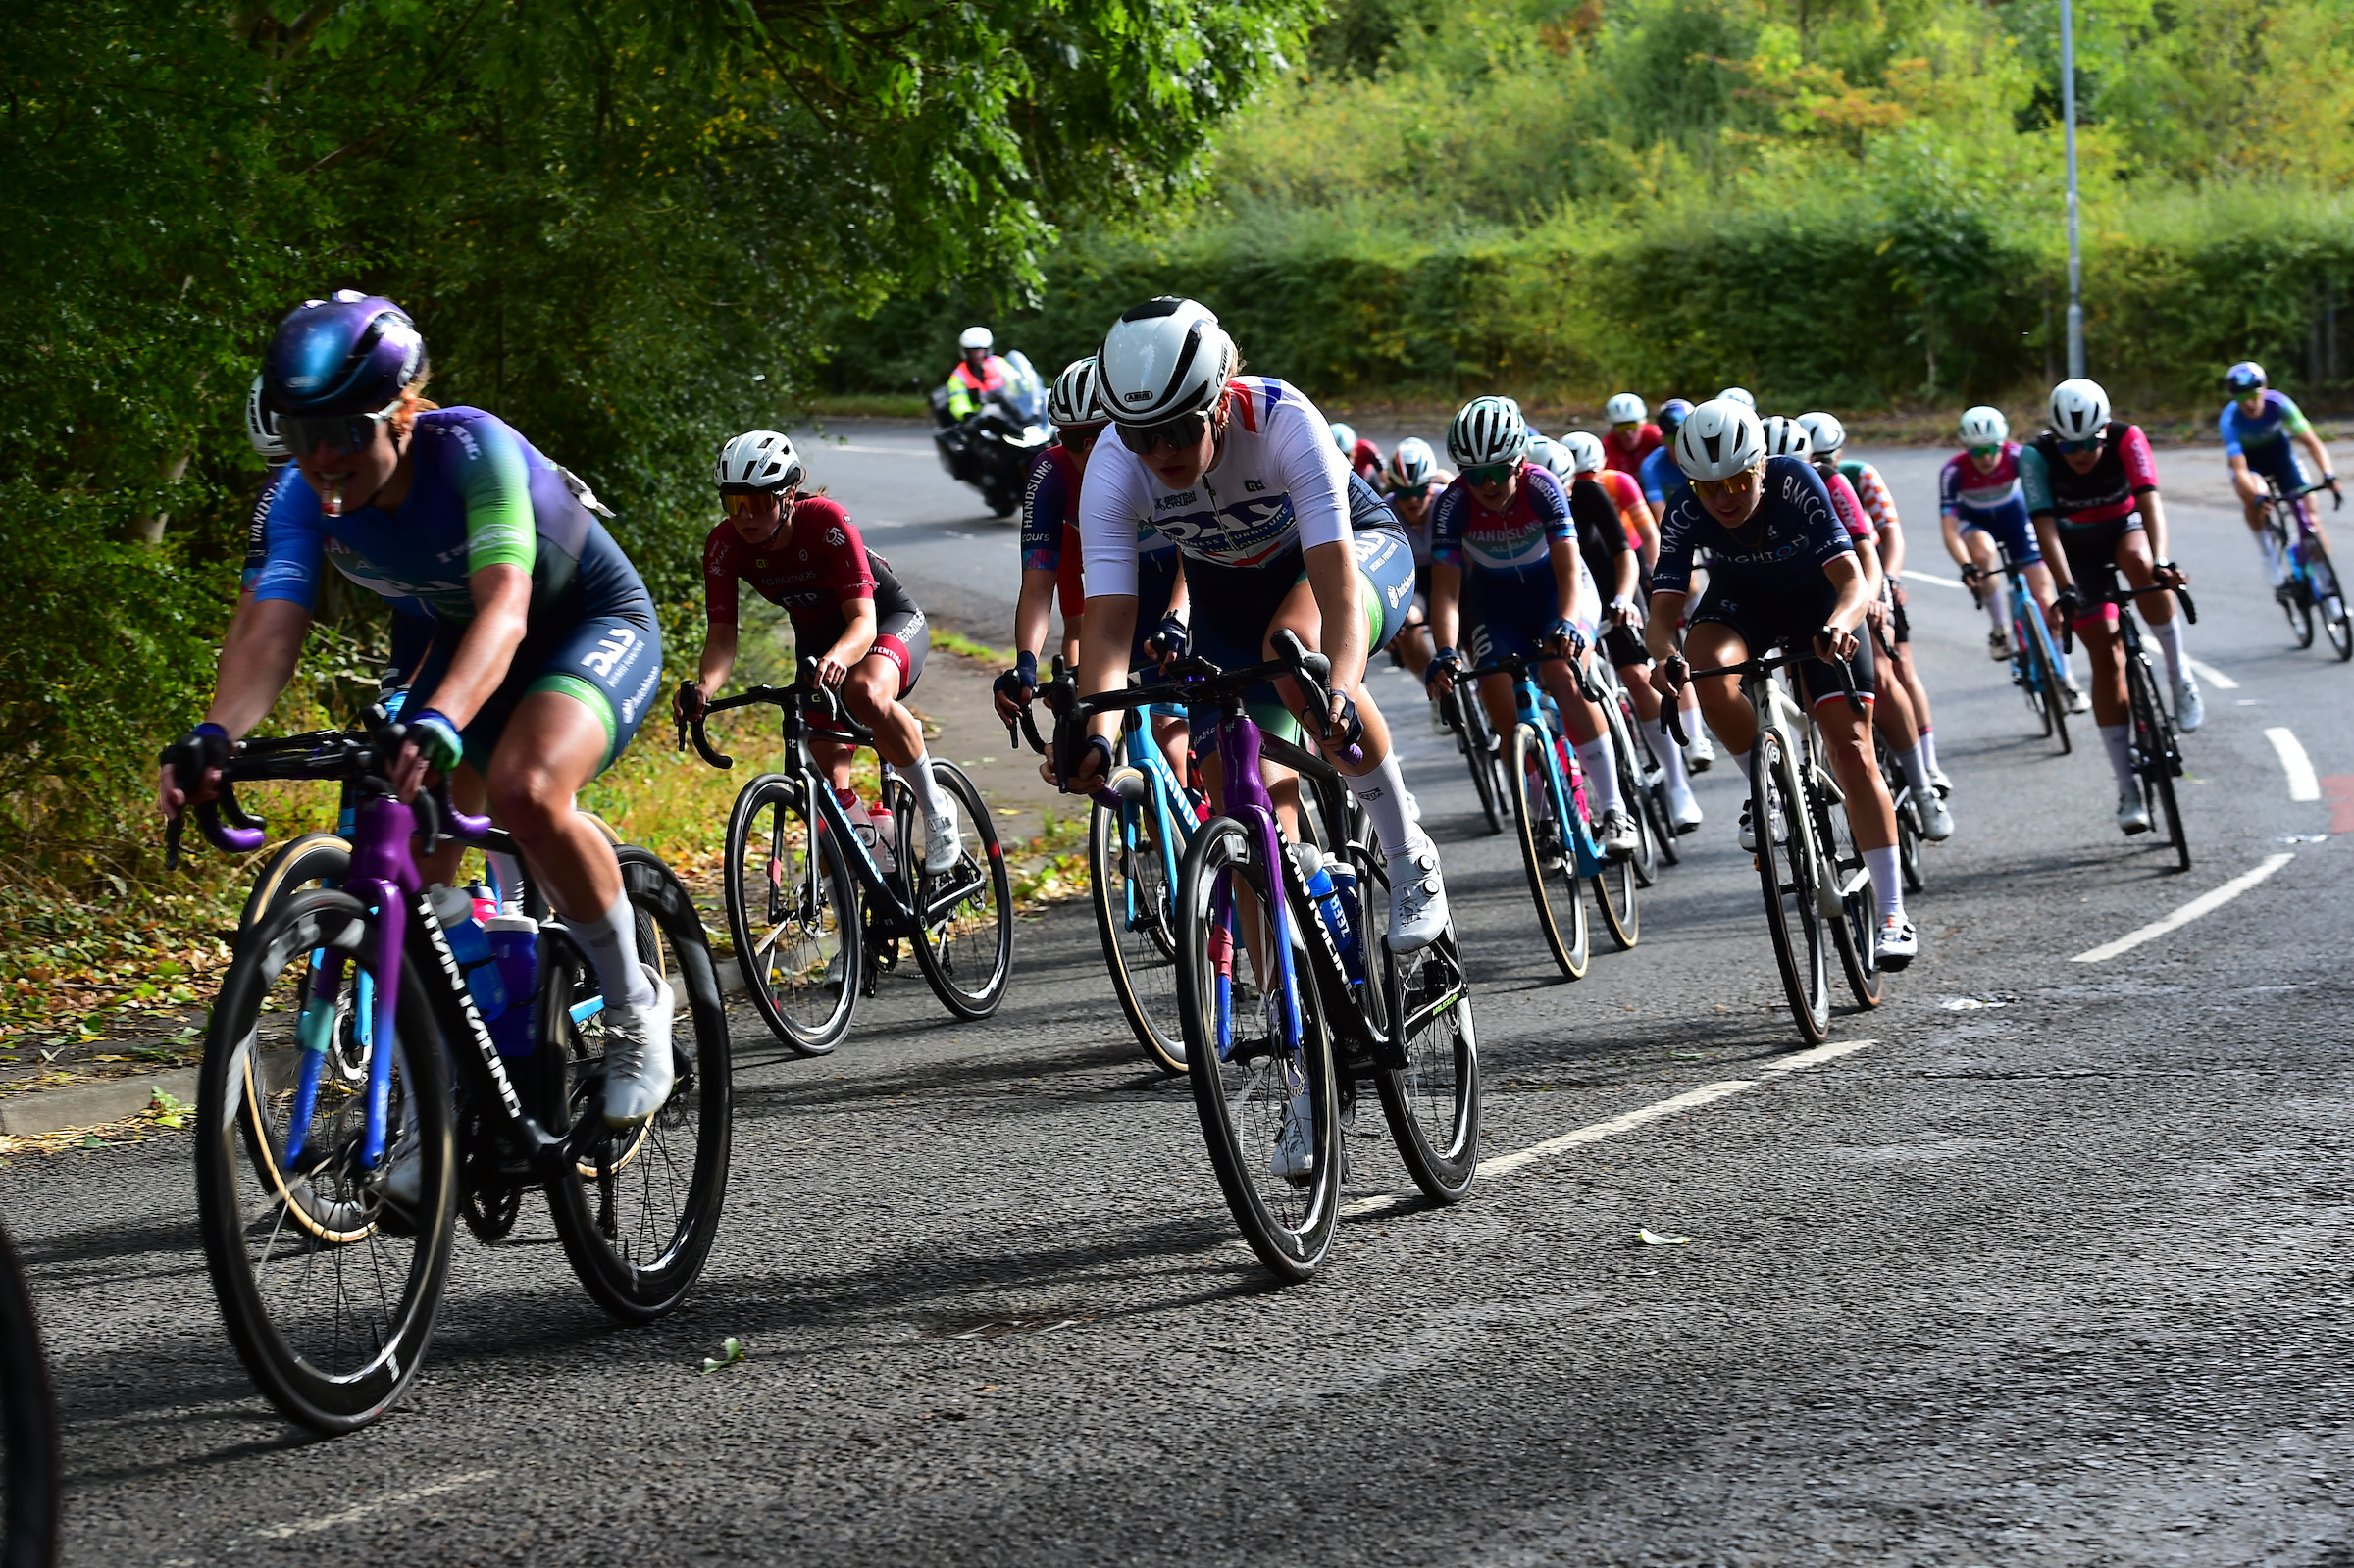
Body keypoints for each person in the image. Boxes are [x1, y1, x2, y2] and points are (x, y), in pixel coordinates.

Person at [164, 291, 676, 1129]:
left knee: (527, 786)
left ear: (402, 415)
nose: (322, 456)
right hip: (450, 641)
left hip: (580, 623)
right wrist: (218, 732)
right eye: (301, 434)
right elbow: (267, 627)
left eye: (344, 433)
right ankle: (439, 1098)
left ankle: (633, 1001)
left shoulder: (473, 447)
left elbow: (506, 606)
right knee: (407, 862)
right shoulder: (297, 495)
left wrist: (442, 719)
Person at [1066, 296, 1450, 951]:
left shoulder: (1282, 420)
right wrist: (1096, 733)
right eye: (1139, 434)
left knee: (1295, 654)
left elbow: (1336, 593)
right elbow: (1108, 622)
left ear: (1218, 402)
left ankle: (1407, 849)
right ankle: (1295, 1001)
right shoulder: (1112, 461)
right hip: (1230, 591)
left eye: (1178, 430)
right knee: (1243, 806)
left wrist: (1340, 687)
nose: (1159, 452)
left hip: (1349, 553)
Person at [1645, 400, 1919, 969]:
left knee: (1851, 747)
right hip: (1742, 605)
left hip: (1818, 607)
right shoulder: (1684, 510)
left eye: (1738, 481)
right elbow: (1662, 614)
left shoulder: (1797, 482)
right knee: (1705, 666)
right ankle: (1766, 785)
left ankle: (1892, 912)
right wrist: (1664, 658)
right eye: (1707, 486)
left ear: (1761, 467)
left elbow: (1852, 582)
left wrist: (1842, 625)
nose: (1724, 499)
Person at [679, 430, 965, 877]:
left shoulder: (827, 521)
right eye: (734, 504)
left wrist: (840, 658)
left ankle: (936, 808)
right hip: (817, 645)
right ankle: (859, 914)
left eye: (757, 503)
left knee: (866, 691)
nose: (745, 517)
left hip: (885, 622)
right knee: (825, 795)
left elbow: (863, 622)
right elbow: (721, 637)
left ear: (789, 495)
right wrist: (704, 689)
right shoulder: (723, 545)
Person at [1424, 398, 1639, 860]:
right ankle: (1542, 811)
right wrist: (1444, 650)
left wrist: (1565, 621)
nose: (1485, 485)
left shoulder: (1542, 487)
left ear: (1520, 461)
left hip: (1557, 592)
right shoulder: (1453, 504)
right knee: (1503, 708)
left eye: (1497, 471)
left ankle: (1614, 808)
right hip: (1494, 606)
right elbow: (1445, 592)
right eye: (1472, 473)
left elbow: (1568, 570)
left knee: (1564, 676)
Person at [2020, 378, 2201, 835]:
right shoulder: (2035, 457)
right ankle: (2128, 787)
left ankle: (2180, 676)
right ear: (2053, 436)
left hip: (2125, 529)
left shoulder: (2127, 437)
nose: (2080, 452)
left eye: (2089, 441)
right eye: (2069, 444)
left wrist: (2161, 560)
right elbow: (2046, 532)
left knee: (2142, 564)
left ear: (2104, 430)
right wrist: (2064, 586)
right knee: (2105, 656)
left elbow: (2151, 503)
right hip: (2075, 551)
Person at [1764, 418, 1952, 842]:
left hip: (1856, 585)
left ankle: (1922, 788)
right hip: (1802, 597)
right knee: (1809, 694)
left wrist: (1874, 598)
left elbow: (1867, 550)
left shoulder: (1831, 482)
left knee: (1883, 673)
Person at [996, 358, 1189, 771]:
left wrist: (1176, 619)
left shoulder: (1153, 458)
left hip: (1182, 580)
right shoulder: (1049, 473)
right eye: (1072, 437)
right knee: (1097, 728)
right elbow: (1037, 586)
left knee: (1172, 734)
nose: (1088, 449)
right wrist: (1025, 663)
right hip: (1121, 589)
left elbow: (1194, 553)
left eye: (1098, 434)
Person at [1553, 432, 1701, 832]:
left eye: (1562, 485)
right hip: (1566, 601)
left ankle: (1676, 782)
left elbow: (1625, 553)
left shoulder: (1589, 493)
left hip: (1613, 584)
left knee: (1636, 674)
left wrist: (1624, 598)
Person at [2220, 361, 2340, 599]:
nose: (2250, 403)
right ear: (2235, 398)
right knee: (2254, 492)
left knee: (2311, 519)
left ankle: (2330, 591)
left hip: (2282, 460)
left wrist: (2328, 473)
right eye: (2242, 397)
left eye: (2254, 394)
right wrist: (2256, 497)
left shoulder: (2279, 404)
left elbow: (2312, 442)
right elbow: (2240, 469)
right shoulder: (2230, 419)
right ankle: (2267, 552)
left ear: (2263, 390)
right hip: (2251, 467)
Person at [1381, 435, 1452, 704]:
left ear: (1431, 485)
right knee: (1407, 624)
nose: (1412, 501)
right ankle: (1436, 690)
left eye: (1420, 491)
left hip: (1452, 575)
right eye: (1404, 494)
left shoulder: (1447, 501)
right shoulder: (1384, 512)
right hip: (1412, 581)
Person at [1600, 392, 1663, 476]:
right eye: (1621, 428)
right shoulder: (1607, 446)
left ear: (1643, 423)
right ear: (1613, 430)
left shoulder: (1656, 436)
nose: (1628, 433)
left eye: (1633, 425)